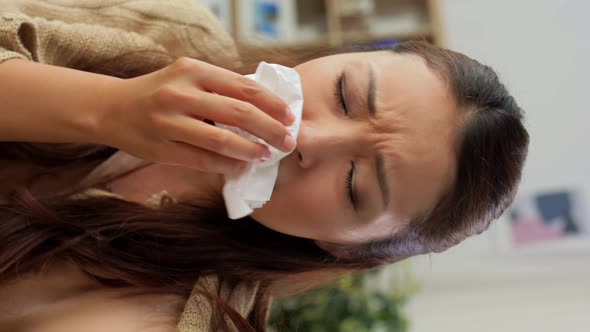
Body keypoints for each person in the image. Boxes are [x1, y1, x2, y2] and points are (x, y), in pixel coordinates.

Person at [0, 0, 530, 331]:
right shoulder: (175, 28)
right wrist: (107, 108)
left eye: (354, 183)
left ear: (345, 248)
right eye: (344, 94)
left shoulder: (184, 314)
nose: (307, 137)